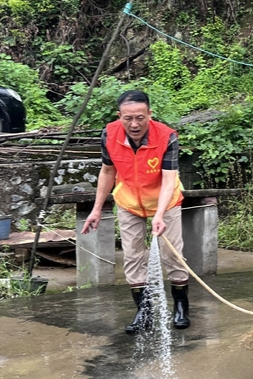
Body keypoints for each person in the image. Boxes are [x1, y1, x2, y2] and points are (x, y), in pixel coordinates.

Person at [81, 90, 191, 332]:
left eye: (140, 118)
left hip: (165, 199)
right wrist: (96, 209)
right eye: (128, 118)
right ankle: (144, 311)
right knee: (132, 255)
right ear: (119, 116)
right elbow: (108, 171)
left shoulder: (167, 136)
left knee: (172, 253)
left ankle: (181, 305)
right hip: (129, 200)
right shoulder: (109, 134)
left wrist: (160, 215)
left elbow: (169, 179)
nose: (134, 124)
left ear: (149, 114)